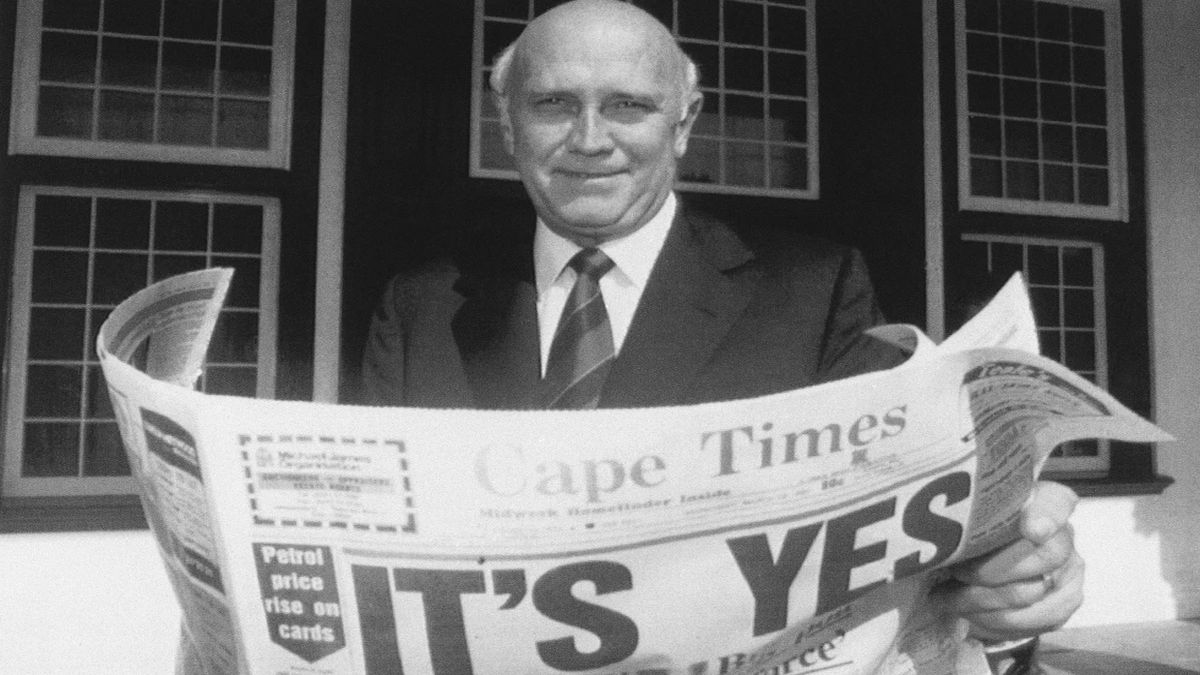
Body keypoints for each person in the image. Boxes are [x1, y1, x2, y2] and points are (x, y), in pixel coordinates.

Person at [361, 0, 1083, 671]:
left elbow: (901, 560)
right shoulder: (420, 305)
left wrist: (1004, 602)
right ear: (507, 123)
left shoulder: (816, 292)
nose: (589, 139)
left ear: (683, 124)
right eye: (553, 103)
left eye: (628, 106)